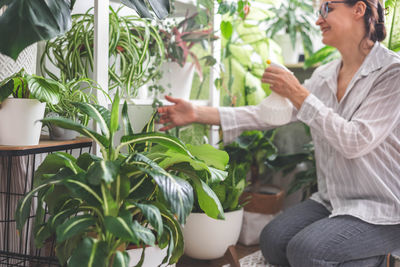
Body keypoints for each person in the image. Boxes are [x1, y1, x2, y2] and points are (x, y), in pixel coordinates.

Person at [157, 0, 400, 266]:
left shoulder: (391, 72)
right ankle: (359, 251)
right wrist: (197, 113)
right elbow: (267, 114)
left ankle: (373, 255)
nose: (318, 19)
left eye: (326, 9)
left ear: (358, 9)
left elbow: (355, 141)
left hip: (383, 209)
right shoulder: (324, 76)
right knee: (273, 240)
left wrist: (297, 92)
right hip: (334, 201)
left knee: (306, 251)